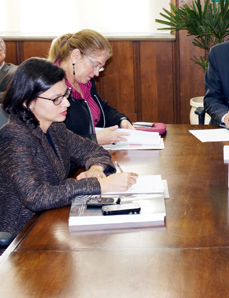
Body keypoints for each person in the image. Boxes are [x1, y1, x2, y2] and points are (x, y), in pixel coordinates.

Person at [0, 58, 137, 238]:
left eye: (66, 95)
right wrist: (99, 185)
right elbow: (36, 196)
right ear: (27, 101)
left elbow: (94, 150)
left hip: (53, 222)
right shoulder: (14, 136)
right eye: (57, 99)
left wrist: (96, 169)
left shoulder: (55, 127)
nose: (67, 103)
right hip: (24, 235)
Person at [48, 29, 135, 145]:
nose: (97, 73)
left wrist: (121, 121)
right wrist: (94, 140)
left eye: (100, 68)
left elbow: (102, 108)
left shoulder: (85, 82)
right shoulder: (49, 86)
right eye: (95, 65)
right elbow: (53, 141)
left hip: (93, 152)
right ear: (76, 55)